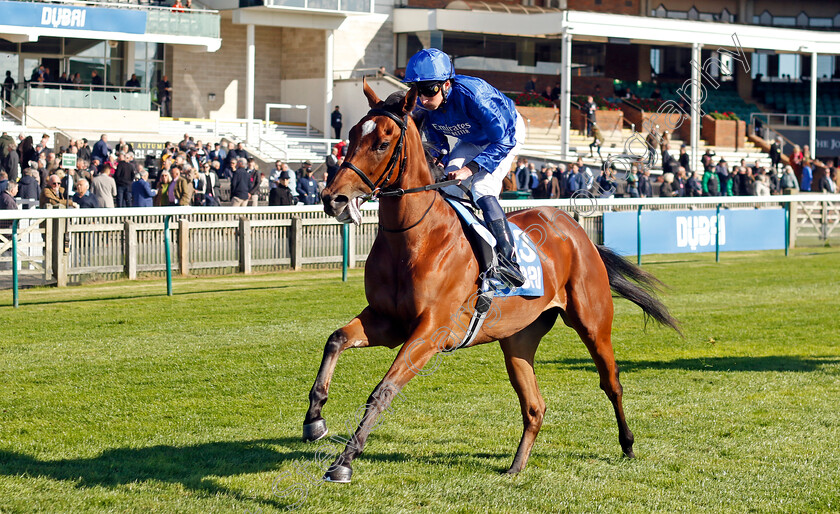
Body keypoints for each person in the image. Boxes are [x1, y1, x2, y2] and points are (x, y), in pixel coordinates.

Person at [405, 49, 528, 286]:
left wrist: (470, 169)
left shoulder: (474, 95)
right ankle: (462, 253)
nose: (422, 98)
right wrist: (438, 160)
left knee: (482, 187)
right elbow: (437, 143)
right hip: (472, 138)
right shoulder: (425, 107)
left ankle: (509, 262)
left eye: (429, 89)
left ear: (446, 84)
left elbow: (503, 140)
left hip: (506, 134)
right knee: (449, 189)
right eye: (416, 90)